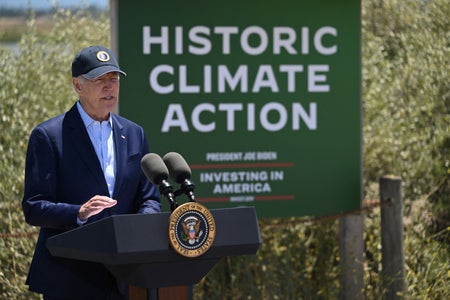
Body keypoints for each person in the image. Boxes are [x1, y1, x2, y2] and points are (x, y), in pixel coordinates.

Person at [22, 45, 161, 299]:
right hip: (70, 278)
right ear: (78, 85)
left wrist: (142, 223)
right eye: (100, 80)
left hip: (126, 277)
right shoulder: (49, 136)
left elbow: (149, 197)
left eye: (114, 79)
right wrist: (79, 212)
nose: (109, 87)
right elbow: (34, 207)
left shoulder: (134, 134)